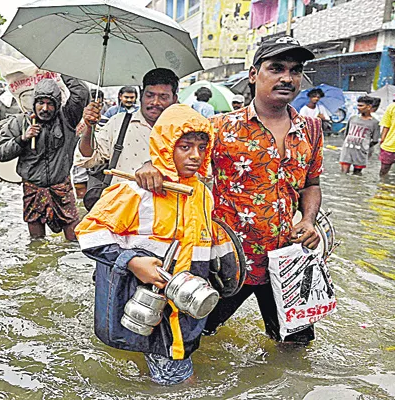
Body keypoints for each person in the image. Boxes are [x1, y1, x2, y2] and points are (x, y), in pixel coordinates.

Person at [136, 36, 324, 344]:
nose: (287, 78)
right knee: (194, 337)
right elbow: (174, 154)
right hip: (228, 258)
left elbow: (312, 185)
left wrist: (308, 220)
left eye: (295, 70)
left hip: (289, 259)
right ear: (253, 75)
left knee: (296, 348)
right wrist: (150, 167)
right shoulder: (219, 127)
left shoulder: (312, 130)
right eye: (276, 68)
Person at [75, 104, 214, 385]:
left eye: (201, 147)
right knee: (179, 381)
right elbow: (89, 232)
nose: (195, 156)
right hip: (148, 299)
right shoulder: (135, 190)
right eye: (185, 147)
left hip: (185, 301)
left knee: (177, 358)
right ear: (165, 146)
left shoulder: (202, 194)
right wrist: (132, 261)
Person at [0, 75, 89, 240]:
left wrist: (62, 69)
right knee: (37, 245)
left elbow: (81, 92)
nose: (45, 108)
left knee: (74, 241)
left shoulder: (67, 119)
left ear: (57, 104)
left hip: (62, 189)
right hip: (33, 190)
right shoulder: (20, 122)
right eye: (41, 102)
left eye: (50, 103)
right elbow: (0, 153)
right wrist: (22, 139)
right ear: (34, 103)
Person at [75, 68, 179, 182]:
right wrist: (89, 128)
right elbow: (87, 160)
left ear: (174, 99)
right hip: (121, 198)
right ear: (141, 95)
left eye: (163, 97)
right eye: (150, 95)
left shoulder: (182, 129)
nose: (155, 102)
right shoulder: (118, 123)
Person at [339, 96, 380, 175]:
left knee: (357, 174)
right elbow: (346, 133)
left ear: (369, 107)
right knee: (344, 173)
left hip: (361, 151)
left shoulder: (374, 122)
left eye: (361, 106)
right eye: (358, 105)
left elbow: (375, 140)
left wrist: (365, 146)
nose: (358, 108)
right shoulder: (353, 118)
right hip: (347, 148)